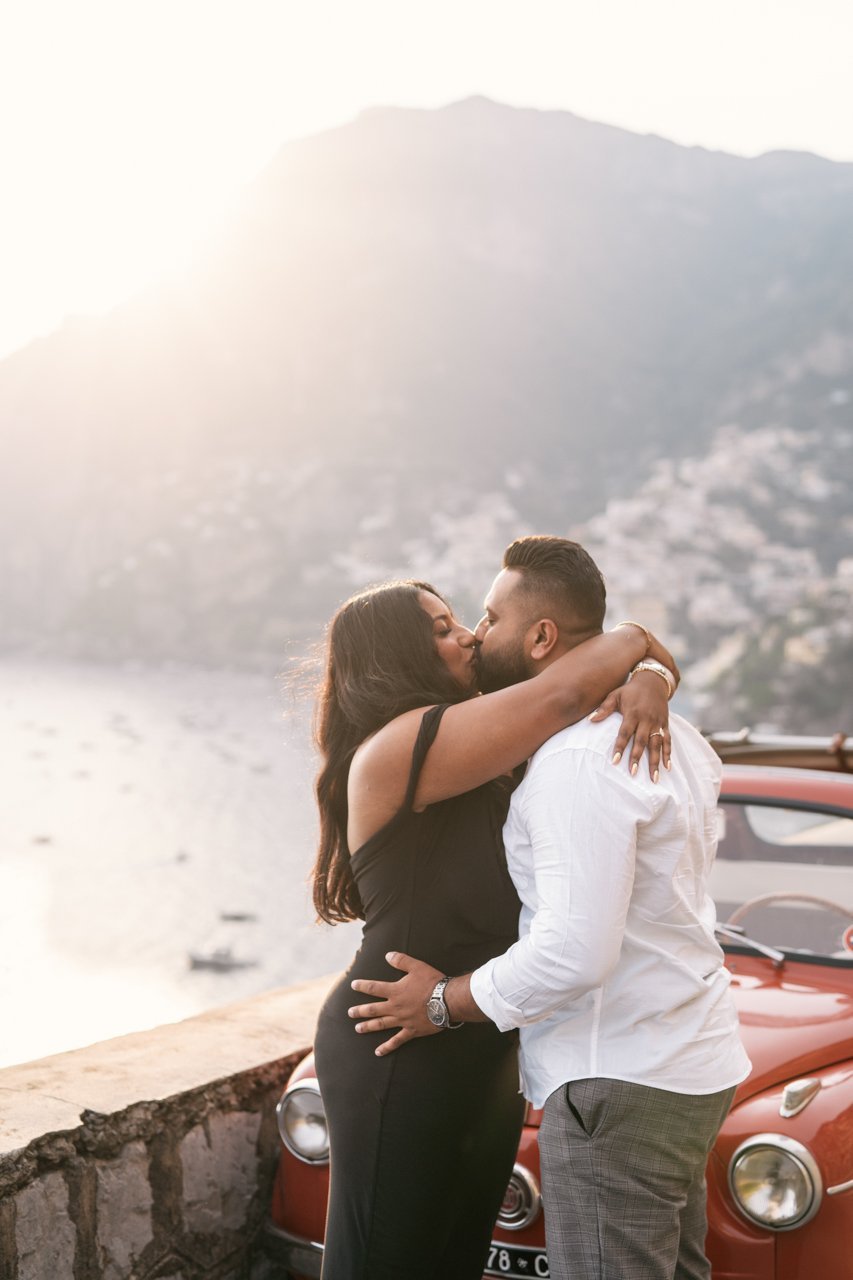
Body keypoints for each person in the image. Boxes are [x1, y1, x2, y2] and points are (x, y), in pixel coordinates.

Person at [349, 537, 752, 1280]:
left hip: (617, 1068)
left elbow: (574, 951)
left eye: (485, 616)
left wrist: (443, 1001)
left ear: (539, 637)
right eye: (449, 626)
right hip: (682, 1057)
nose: (474, 632)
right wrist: (650, 668)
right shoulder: (681, 740)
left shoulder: (574, 759)